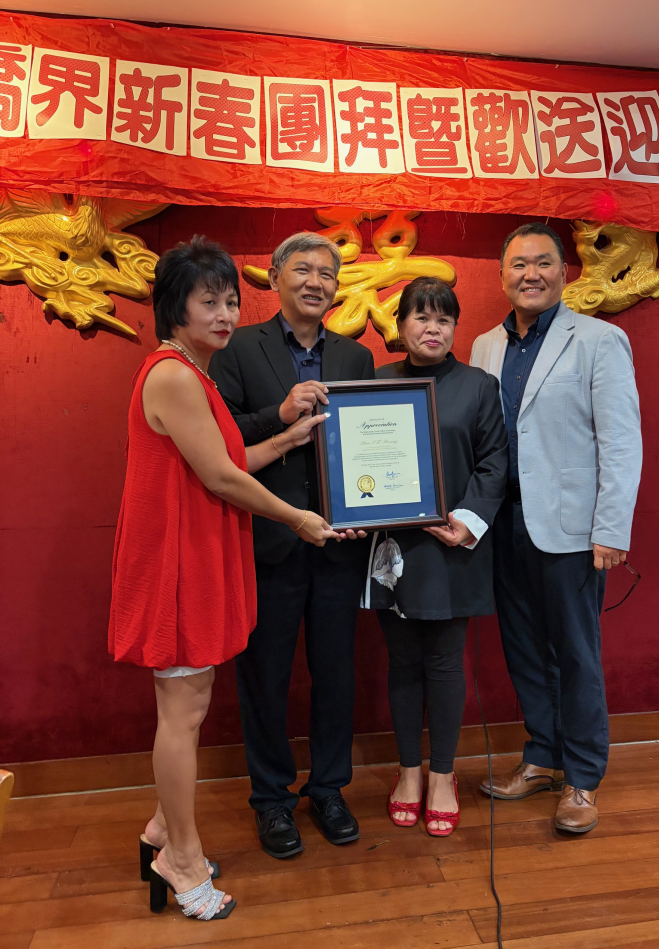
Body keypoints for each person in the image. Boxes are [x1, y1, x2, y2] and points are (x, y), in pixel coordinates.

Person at [109, 237, 341, 921]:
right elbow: (220, 477)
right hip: (177, 560)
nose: (225, 314)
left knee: (192, 702)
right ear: (173, 308)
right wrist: (296, 517)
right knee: (181, 713)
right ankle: (181, 859)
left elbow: (228, 457)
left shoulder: (194, 372)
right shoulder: (175, 375)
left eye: (231, 301)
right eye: (208, 301)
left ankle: (162, 831)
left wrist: (286, 439)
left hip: (196, 550)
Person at [470, 223, 642, 834]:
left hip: (572, 528)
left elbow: (620, 441)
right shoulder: (485, 346)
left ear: (563, 273)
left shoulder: (599, 339)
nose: (531, 274)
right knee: (522, 648)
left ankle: (583, 777)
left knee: (574, 652)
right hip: (503, 523)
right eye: (519, 264)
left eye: (543, 263)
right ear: (502, 276)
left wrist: (611, 528)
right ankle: (542, 756)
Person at [210, 232, 374, 859]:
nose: (315, 282)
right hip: (267, 541)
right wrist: (277, 415)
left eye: (327, 273)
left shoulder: (357, 356)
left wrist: (368, 510)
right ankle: (271, 799)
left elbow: (369, 443)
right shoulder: (237, 347)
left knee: (336, 675)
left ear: (337, 287)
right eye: (302, 269)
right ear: (275, 276)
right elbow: (219, 437)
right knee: (265, 677)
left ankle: (329, 789)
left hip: (338, 543)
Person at [370, 277, 507, 837]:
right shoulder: (375, 383)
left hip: (452, 543)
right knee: (402, 662)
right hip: (392, 548)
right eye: (421, 317)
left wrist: (468, 521)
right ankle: (409, 772)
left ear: (455, 328)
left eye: (444, 319)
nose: (433, 328)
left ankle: (444, 775)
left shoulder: (478, 386)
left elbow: (494, 462)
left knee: (446, 663)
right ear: (400, 325)